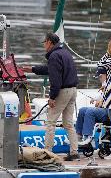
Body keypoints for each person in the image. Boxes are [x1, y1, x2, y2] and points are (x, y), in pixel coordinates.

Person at [22, 33, 79, 161]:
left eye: (44, 42)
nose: (44, 45)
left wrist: (52, 97)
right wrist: (32, 69)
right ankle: (74, 152)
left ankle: (47, 152)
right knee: (68, 124)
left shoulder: (54, 56)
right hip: (73, 90)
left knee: (50, 122)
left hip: (62, 91)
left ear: (49, 42)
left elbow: (56, 79)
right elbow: (51, 69)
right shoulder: (65, 53)